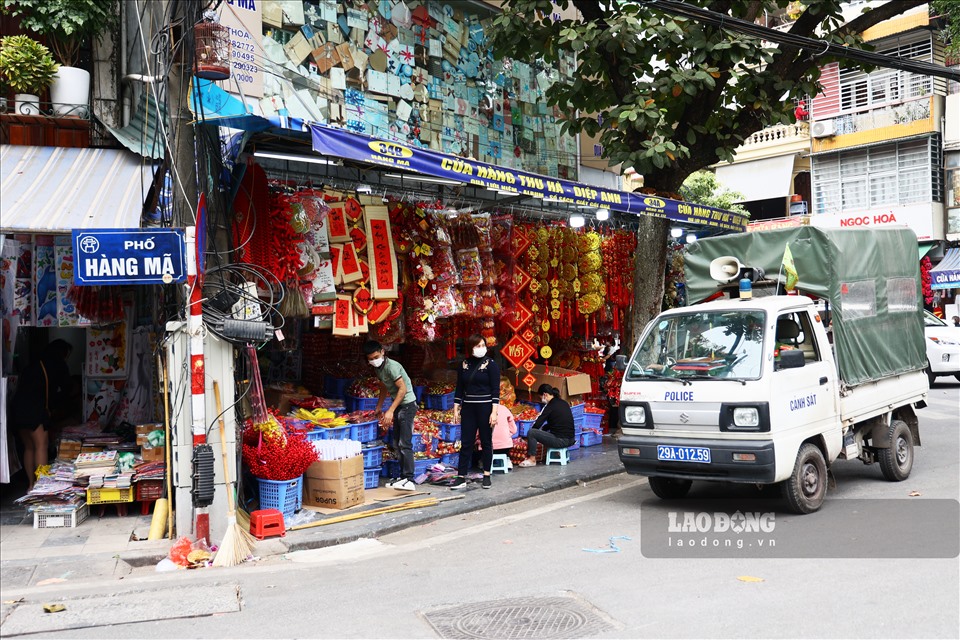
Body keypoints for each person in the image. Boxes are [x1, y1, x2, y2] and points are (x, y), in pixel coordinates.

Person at [10, 339, 72, 491]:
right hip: (36, 409)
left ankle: (31, 484)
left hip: (18, 408)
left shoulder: (34, 364)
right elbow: (66, 389)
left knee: (29, 447)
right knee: (41, 446)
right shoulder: (57, 364)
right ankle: (42, 485)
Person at [364, 340, 418, 492]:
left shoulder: (392, 367)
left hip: (407, 405)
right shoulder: (379, 369)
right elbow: (383, 386)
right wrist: (379, 406)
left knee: (404, 443)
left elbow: (402, 389)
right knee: (396, 443)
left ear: (382, 352)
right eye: (370, 359)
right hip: (399, 405)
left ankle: (410, 478)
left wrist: (391, 410)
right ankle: (403, 477)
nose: (374, 361)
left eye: (375, 356)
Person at [451, 334, 500, 489]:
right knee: (466, 442)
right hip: (469, 408)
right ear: (471, 348)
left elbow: (495, 390)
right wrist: (456, 408)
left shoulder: (491, 364)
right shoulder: (464, 364)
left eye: (483, 345)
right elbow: (459, 388)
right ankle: (461, 476)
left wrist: (494, 412)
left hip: (486, 407)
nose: (481, 349)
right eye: (477, 346)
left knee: (486, 442)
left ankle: (486, 474)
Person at [518, 384, 576, 468]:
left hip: (561, 440)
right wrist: (544, 429)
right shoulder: (563, 403)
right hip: (571, 439)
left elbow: (537, 424)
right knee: (546, 429)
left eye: (540, 397)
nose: (541, 400)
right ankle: (556, 453)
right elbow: (558, 422)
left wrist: (528, 438)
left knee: (532, 432)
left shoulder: (549, 406)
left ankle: (532, 459)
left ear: (545, 395)